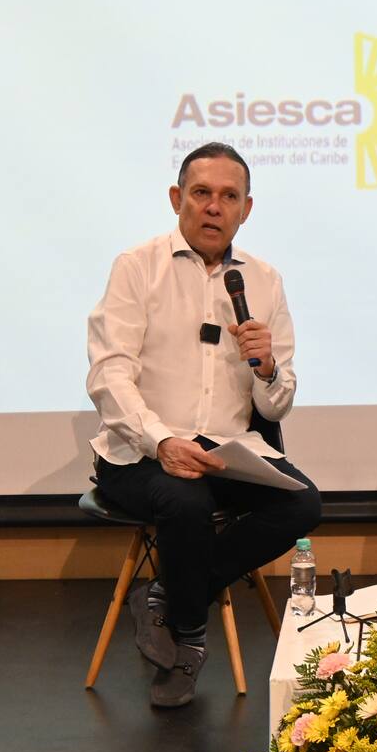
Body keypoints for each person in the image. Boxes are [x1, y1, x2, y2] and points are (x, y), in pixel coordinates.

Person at [86, 142, 321, 708]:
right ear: (177, 199)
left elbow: (277, 405)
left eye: (229, 197)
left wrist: (267, 367)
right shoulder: (137, 267)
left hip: (227, 450)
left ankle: (167, 596)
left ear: (246, 209)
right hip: (138, 452)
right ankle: (188, 644)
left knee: (303, 504)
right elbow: (108, 373)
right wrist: (160, 439)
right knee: (185, 504)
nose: (214, 207)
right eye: (202, 194)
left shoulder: (263, 280)